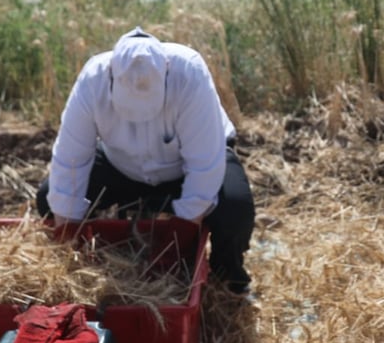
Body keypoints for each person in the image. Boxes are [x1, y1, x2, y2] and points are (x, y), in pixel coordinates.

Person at [37, 27, 256, 295]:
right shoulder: (92, 79)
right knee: (49, 196)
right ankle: (95, 259)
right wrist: (68, 242)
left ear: (165, 71)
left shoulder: (190, 73)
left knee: (235, 208)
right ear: (111, 75)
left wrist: (181, 238)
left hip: (181, 168)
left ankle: (225, 283)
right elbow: (69, 161)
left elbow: (203, 167)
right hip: (121, 164)